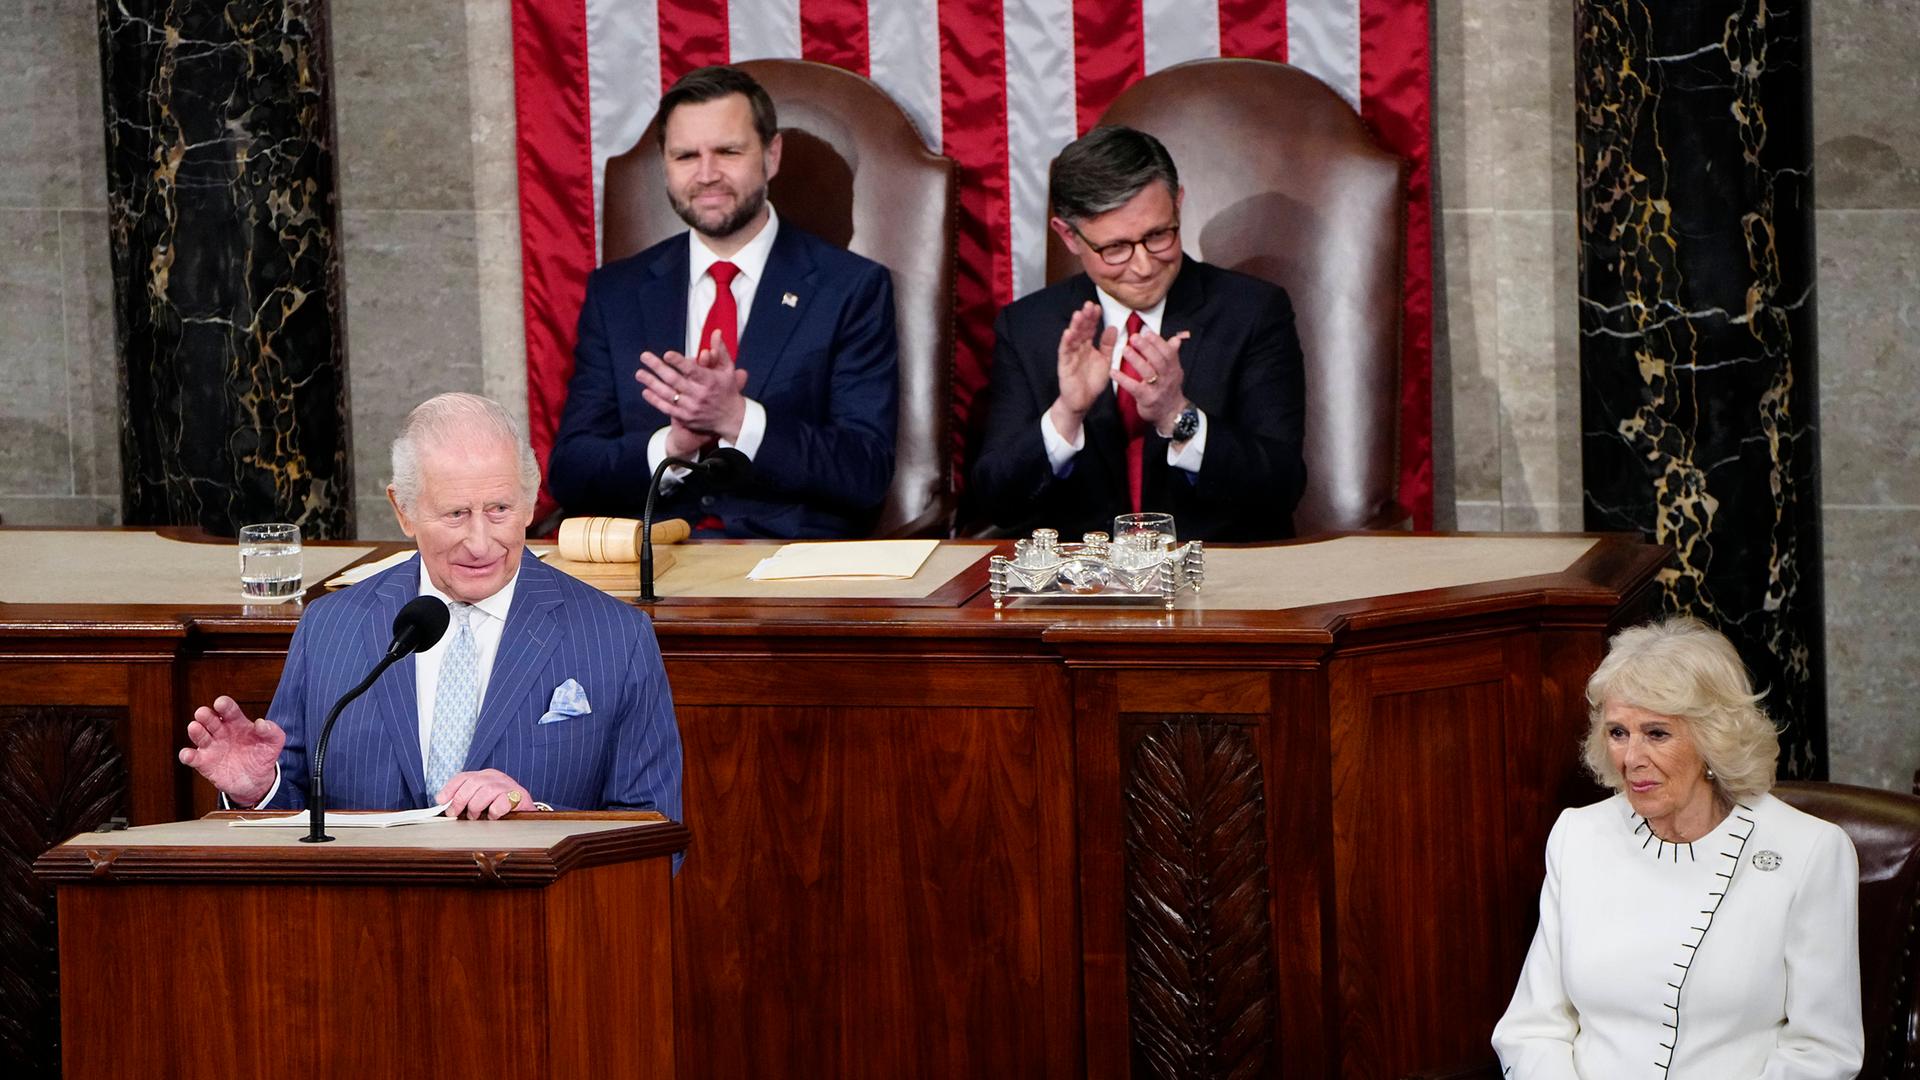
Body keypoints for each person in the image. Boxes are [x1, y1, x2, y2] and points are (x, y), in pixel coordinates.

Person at [180, 393, 682, 821]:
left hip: (535, 924)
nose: (481, 543)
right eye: (456, 514)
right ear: (404, 510)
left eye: (500, 510)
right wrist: (255, 790)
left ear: (530, 504)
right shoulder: (331, 628)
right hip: (366, 926)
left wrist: (537, 823)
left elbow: (655, 834)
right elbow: (293, 811)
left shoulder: (616, 636)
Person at [1492, 616, 1862, 1079]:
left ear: (1713, 738)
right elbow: (1533, 1028)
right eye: (1618, 732)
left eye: (1657, 733)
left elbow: (1823, 1051)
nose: (1632, 758)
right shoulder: (1577, 836)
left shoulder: (1811, 852)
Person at [548, 64, 899, 538]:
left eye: (728, 151)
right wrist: (674, 444)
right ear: (665, 165)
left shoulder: (851, 288)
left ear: (771, 156)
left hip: (788, 569)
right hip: (650, 561)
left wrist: (736, 419)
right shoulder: (616, 293)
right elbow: (572, 470)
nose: (707, 174)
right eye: (686, 156)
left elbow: (865, 470)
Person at [969, 125, 1306, 541]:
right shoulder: (1028, 328)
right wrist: (1065, 415)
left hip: (1218, 576)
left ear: (1178, 204)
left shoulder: (1252, 312)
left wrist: (1177, 416)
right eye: (1115, 248)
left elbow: (1282, 487)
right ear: (1069, 236)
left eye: (1158, 235)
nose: (1144, 266)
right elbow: (996, 500)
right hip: (1082, 588)